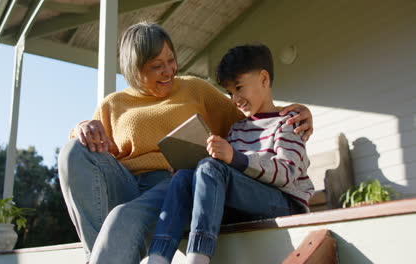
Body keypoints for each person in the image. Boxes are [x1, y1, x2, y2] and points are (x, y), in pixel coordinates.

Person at [58, 22, 314, 264]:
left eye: (171, 60)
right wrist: (81, 128)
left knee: (122, 217)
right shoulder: (113, 104)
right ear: (135, 69)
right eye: (157, 65)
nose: (168, 70)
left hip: (173, 184)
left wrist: (295, 113)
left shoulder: (195, 89)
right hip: (126, 184)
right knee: (72, 151)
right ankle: (98, 255)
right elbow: (87, 158)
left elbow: (252, 117)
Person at [147, 44, 315, 264]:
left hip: (283, 203)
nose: (235, 99)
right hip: (242, 205)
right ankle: (157, 258)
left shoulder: (289, 122)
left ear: (264, 79)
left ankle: (198, 257)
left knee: (210, 167)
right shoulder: (237, 128)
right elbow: (226, 173)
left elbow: (286, 171)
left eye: (239, 87)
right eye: (230, 92)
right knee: (183, 177)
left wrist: (235, 157)